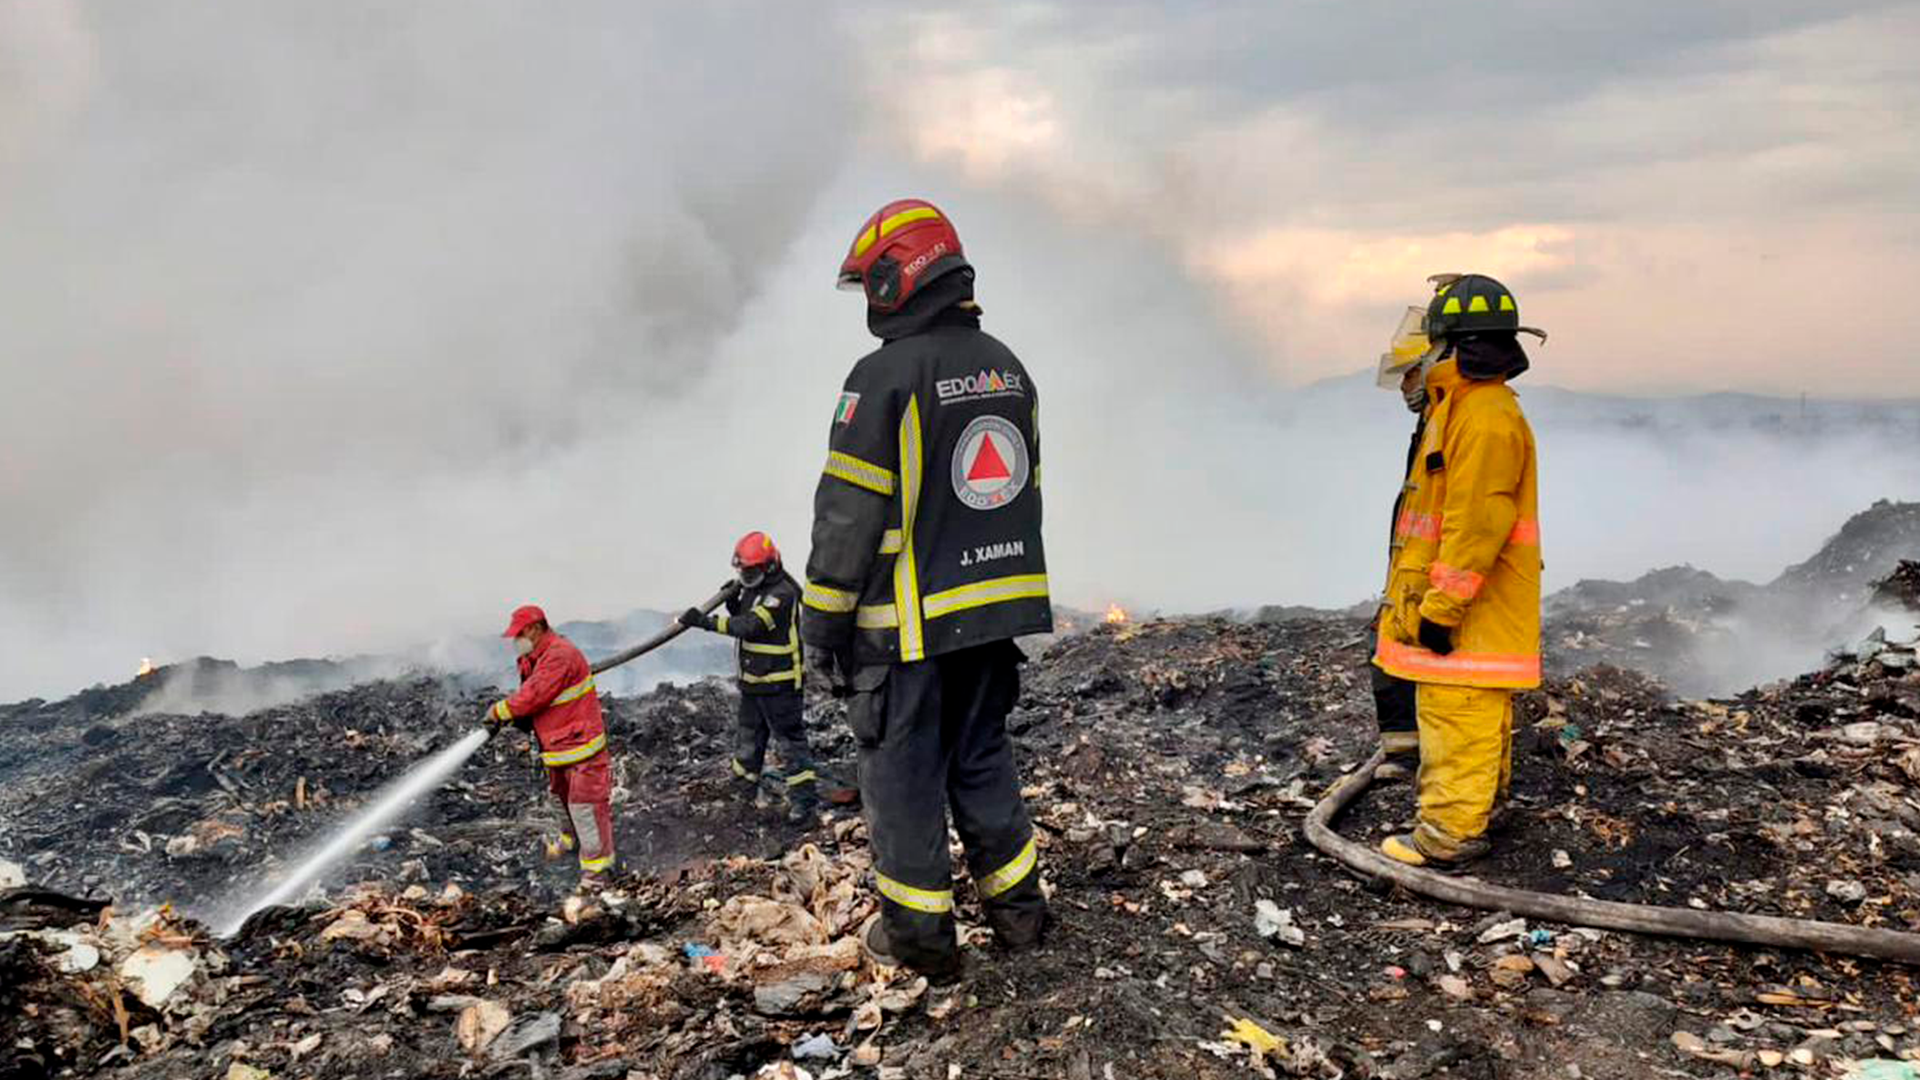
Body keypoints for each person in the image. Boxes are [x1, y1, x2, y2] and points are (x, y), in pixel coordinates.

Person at [801, 197, 1051, 979]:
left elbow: (846, 519)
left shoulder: (881, 378)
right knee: (982, 764)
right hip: (991, 625)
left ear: (896, 277)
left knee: (903, 788)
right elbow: (1024, 490)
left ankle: (922, 945)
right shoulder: (1009, 367)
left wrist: (822, 628)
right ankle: (1021, 919)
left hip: (907, 636)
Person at [1373, 273, 1545, 867]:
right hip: (1466, 606)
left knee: (1458, 717)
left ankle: (1448, 838)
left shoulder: (1484, 418)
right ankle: (1478, 810)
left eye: (1419, 362)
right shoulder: (1462, 411)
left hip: (1469, 611)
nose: (1409, 382)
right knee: (1468, 716)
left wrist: (1441, 609)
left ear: (1452, 349)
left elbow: (1477, 525)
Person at [677, 531, 819, 822]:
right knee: (748, 739)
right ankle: (744, 790)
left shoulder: (783, 594)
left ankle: (804, 804)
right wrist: (733, 602)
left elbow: (751, 626)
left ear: (768, 566)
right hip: (755, 683)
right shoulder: (758, 586)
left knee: (790, 744)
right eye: (743, 570)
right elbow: (746, 612)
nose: (746, 576)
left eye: (751, 571)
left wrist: (704, 622)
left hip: (779, 685)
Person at [486, 604, 615, 884]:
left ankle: (597, 871)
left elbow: (535, 694)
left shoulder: (559, 655)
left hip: (581, 746)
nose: (515, 641)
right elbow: (533, 696)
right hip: (556, 745)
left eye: (518, 634)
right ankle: (572, 843)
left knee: (585, 806)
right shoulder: (533, 656)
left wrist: (500, 711)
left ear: (534, 628)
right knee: (561, 798)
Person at [1370, 306, 1437, 772]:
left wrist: (1445, 598)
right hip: (1414, 575)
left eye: (1410, 374)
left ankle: (1416, 757)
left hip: (1436, 579)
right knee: (1386, 653)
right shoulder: (1432, 423)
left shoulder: (1458, 423)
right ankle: (1404, 753)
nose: (1405, 387)